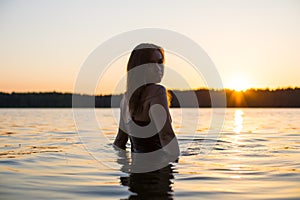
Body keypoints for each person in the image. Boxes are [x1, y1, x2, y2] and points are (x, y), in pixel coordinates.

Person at [113, 43, 180, 161]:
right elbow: (166, 136)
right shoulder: (157, 92)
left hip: (135, 175)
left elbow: (119, 142)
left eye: (160, 62)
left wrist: (125, 175)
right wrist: (179, 164)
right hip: (158, 173)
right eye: (150, 64)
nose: (158, 68)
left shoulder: (125, 99)